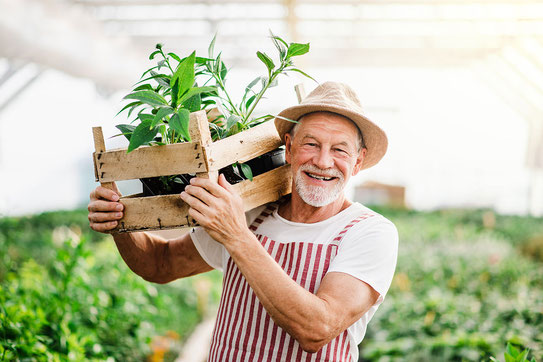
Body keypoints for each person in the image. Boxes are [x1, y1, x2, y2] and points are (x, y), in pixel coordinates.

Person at [88, 81, 398, 361]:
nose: (323, 161)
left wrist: (236, 234)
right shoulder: (252, 211)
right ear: (289, 148)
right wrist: (119, 221)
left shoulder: (368, 232)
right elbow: (160, 264)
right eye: (311, 144)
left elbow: (316, 329)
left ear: (358, 161)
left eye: (339, 150)